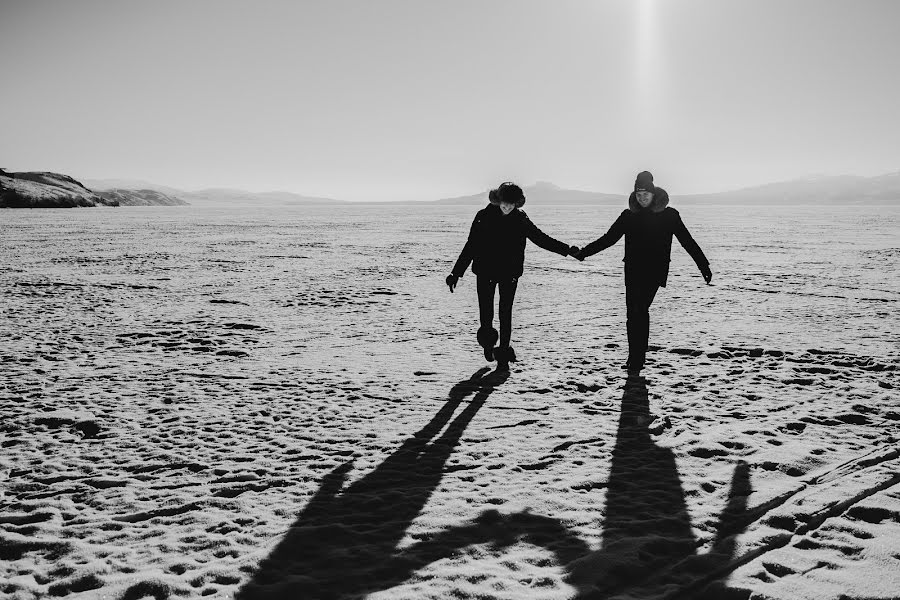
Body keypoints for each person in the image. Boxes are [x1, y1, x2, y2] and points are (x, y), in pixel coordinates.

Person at [574, 171, 712, 372]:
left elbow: (687, 241)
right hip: (633, 270)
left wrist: (703, 265)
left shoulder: (669, 215)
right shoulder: (629, 216)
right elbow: (609, 238)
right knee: (633, 314)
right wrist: (585, 252)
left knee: (640, 310)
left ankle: (638, 358)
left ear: (653, 193)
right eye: (638, 195)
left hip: (655, 271)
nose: (642, 198)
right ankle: (634, 355)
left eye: (645, 194)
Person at [446, 182, 579, 370]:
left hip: (509, 273)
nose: (507, 207)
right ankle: (488, 343)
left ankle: (503, 355)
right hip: (485, 271)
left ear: (517, 203)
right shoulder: (483, 217)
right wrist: (456, 273)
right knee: (486, 314)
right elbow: (471, 246)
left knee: (505, 313)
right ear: (498, 200)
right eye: (504, 203)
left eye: (511, 204)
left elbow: (541, 239)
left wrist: (567, 251)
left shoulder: (520, 219)